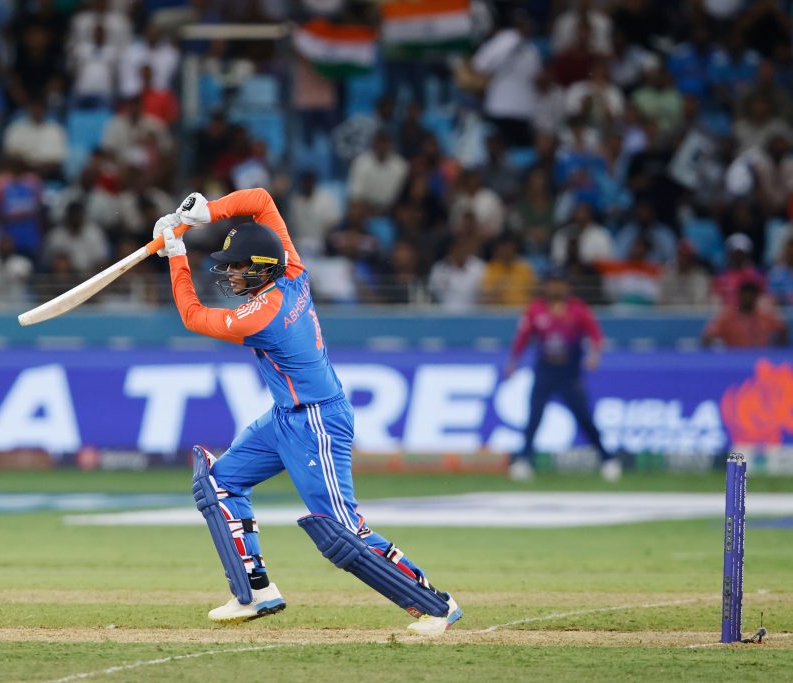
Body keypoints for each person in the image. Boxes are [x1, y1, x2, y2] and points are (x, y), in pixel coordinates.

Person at [151, 188, 462, 636]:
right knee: (218, 483)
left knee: (342, 531)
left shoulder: (260, 317)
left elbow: (193, 316)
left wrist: (177, 256)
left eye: (237, 266)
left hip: (317, 423)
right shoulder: (293, 269)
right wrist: (207, 213)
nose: (230, 274)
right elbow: (260, 200)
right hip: (285, 417)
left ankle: (436, 605)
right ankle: (254, 591)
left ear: (261, 268)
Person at [504, 270, 619, 483]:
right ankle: (523, 460)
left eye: (559, 283)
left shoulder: (578, 309)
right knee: (534, 416)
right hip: (545, 371)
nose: (555, 287)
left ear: (567, 286)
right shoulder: (536, 309)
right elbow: (523, 337)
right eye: (552, 283)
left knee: (584, 418)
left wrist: (594, 355)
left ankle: (607, 459)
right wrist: (513, 361)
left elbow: (596, 335)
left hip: (569, 373)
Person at [702, 280, 788, 348]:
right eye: (745, 295)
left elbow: (783, 329)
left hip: (760, 358)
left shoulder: (766, 315)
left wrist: (776, 350)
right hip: (734, 358)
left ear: (756, 297)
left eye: (751, 296)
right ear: (739, 296)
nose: (747, 299)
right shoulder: (727, 316)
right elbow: (708, 336)